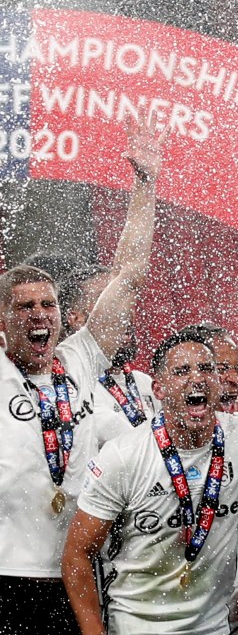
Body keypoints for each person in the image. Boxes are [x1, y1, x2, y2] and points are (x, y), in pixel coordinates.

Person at [0, 112, 164, 635]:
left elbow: (130, 275)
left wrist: (145, 184)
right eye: (24, 307)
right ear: (3, 321)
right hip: (7, 578)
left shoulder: (81, 360)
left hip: (79, 575)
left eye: (47, 304)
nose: (39, 315)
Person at [60, 331, 238, 634]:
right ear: (159, 389)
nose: (198, 378)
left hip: (215, 627)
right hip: (135, 626)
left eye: (206, 369)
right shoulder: (123, 456)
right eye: (182, 371)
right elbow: (77, 556)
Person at [60, 265, 158, 436]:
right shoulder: (73, 386)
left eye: (123, 301)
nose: (123, 312)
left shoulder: (145, 383)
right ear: (75, 318)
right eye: (106, 305)